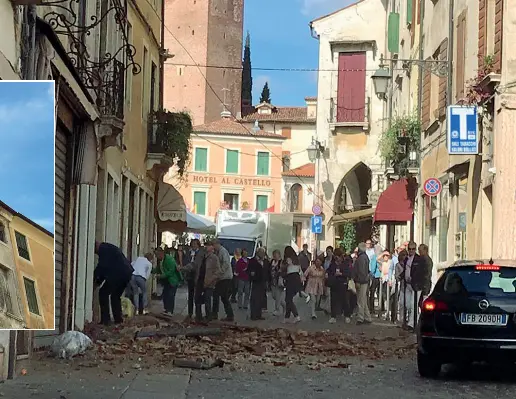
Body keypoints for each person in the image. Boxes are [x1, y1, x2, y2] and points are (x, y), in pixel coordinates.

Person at [94, 241, 134, 326]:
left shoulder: (103, 249)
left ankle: (106, 320)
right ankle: (118, 320)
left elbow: (102, 267)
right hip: (126, 273)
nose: (96, 254)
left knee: (103, 293)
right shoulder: (109, 248)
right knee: (115, 296)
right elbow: (105, 267)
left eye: (95, 252)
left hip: (119, 274)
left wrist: (97, 281)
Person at [283, 246, 309, 323]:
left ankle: (296, 315)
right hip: (296, 277)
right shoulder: (296, 259)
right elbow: (299, 270)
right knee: (289, 299)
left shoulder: (288, 259)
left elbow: (285, 268)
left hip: (290, 278)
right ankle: (286, 317)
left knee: (288, 299)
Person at [327, 248, 353, 324]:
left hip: (342, 283)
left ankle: (347, 316)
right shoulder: (333, 263)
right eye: (335, 256)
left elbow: (348, 273)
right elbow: (329, 270)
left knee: (344, 300)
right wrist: (328, 274)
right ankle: (333, 316)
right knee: (333, 300)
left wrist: (341, 274)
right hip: (334, 284)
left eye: (337, 256)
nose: (336, 258)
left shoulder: (345, 263)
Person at [154, 247, 183, 314]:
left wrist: (161, 276)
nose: (156, 257)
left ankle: (170, 310)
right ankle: (166, 309)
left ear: (161, 253)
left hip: (173, 280)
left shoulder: (169, 259)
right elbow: (158, 268)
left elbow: (171, 271)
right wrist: (151, 270)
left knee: (170, 295)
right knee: (165, 295)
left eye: (157, 255)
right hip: (167, 280)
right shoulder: (161, 260)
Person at [212, 239, 235, 321]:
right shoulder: (218, 252)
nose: (213, 247)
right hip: (222, 277)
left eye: (213, 245)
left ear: (217, 244)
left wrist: (220, 272)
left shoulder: (222, 251)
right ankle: (227, 314)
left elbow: (225, 263)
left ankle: (218, 314)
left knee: (220, 296)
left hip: (225, 277)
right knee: (221, 296)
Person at [247, 247, 271, 320]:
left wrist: (269, 281)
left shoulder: (266, 261)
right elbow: (249, 270)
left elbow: (268, 271)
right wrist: (251, 275)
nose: (262, 254)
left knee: (261, 299)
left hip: (263, 282)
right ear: (257, 253)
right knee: (254, 299)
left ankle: (259, 314)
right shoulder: (252, 261)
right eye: (261, 253)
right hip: (256, 282)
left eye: (263, 253)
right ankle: (253, 315)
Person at [184, 239, 205, 320]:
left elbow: (196, 265)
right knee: (190, 295)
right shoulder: (189, 253)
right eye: (192, 244)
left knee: (197, 296)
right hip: (190, 276)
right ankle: (190, 313)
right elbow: (186, 261)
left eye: (195, 244)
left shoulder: (200, 253)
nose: (193, 246)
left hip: (198, 276)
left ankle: (198, 314)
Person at [353, 242, 372, 325]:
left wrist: (358, 281)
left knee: (360, 300)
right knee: (363, 299)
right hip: (365, 280)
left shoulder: (360, 258)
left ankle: (360, 318)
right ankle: (367, 317)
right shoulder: (365, 257)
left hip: (361, 281)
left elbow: (361, 271)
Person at [270, 249, 286, 316]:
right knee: (274, 296)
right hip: (272, 281)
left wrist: (280, 271)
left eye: (276, 255)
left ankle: (277, 310)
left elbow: (284, 270)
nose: (275, 256)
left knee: (277, 296)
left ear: (279, 255)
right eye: (274, 255)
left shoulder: (281, 262)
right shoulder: (271, 261)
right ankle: (285, 306)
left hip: (279, 281)